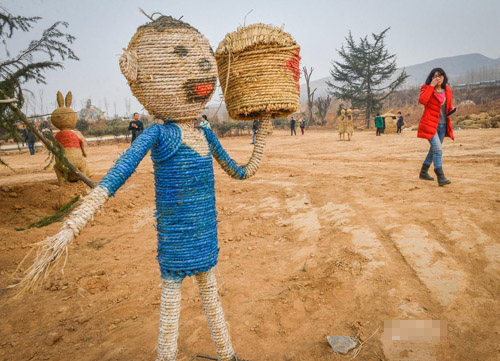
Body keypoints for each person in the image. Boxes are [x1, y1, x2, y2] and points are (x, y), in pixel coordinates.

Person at [418, 67, 454, 186]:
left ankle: (423, 171)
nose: (438, 78)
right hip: (430, 125)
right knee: (438, 149)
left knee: (434, 149)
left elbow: (446, 106)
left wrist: (451, 110)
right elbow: (423, 100)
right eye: (435, 76)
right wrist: (431, 86)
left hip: (443, 125)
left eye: (440, 76)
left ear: (444, 77)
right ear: (431, 78)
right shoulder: (426, 88)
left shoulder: (447, 89)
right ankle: (440, 175)